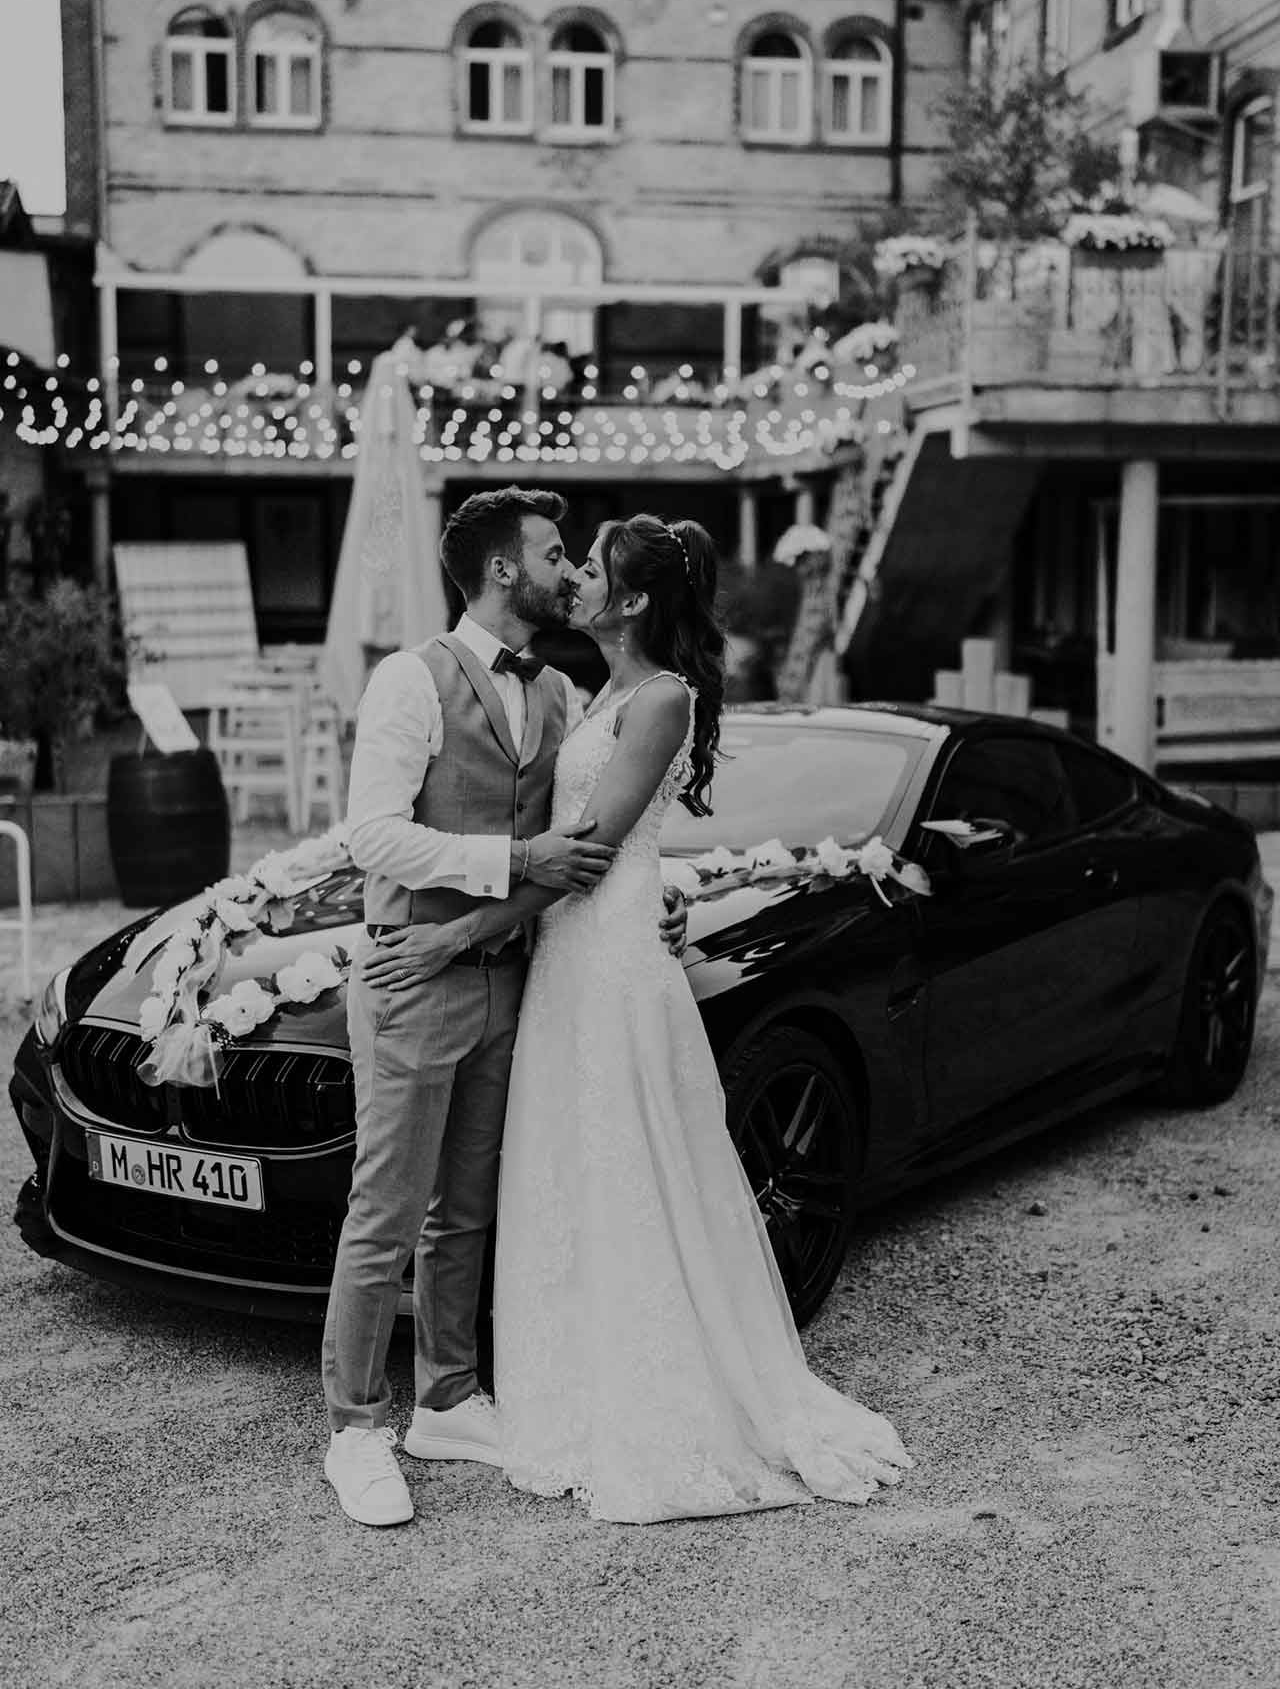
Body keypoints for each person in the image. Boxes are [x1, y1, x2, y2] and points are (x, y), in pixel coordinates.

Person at [390, 514, 913, 1523]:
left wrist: (454, 939)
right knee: (568, 1170)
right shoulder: (601, 693)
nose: (574, 580)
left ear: (631, 602)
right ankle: (564, 1384)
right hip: (569, 963)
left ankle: (654, 1401)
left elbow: (587, 850)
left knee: (629, 1167)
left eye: (590, 571)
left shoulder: (662, 697)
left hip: (612, 964)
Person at [321, 486, 686, 1527]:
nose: (570, 569)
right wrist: (510, 859)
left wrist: (665, 904)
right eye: (553, 551)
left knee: (466, 1209)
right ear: (499, 571)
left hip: (519, 977)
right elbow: (372, 836)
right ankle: (355, 1429)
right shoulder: (409, 680)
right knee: (385, 1213)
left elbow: (610, 824)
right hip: (416, 970)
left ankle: (445, 1395)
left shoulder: (565, 693)